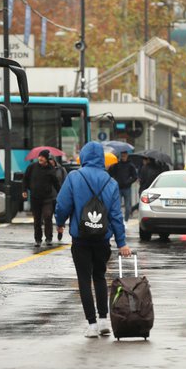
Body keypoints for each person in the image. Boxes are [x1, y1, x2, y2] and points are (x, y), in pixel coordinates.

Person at [55, 141, 132, 338]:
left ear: (84, 157)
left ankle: (91, 325)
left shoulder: (74, 177)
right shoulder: (111, 182)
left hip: (81, 238)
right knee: (99, 277)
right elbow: (116, 215)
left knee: (84, 279)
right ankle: (104, 320)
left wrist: (60, 222)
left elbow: (63, 204)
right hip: (102, 239)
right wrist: (121, 243)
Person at [22, 149, 60, 247]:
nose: (40, 158)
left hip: (48, 198)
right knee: (37, 219)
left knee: (47, 216)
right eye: (39, 156)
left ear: (47, 159)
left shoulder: (51, 169)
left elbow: (56, 183)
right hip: (35, 198)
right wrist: (24, 190)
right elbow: (25, 179)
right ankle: (38, 239)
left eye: (42, 157)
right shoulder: (32, 167)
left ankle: (49, 238)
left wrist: (60, 194)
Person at [108, 151, 138, 222]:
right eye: (122, 156)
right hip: (118, 188)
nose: (123, 157)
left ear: (127, 156)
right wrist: (110, 167)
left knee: (128, 207)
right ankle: (119, 220)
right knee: (117, 206)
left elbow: (135, 177)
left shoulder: (131, 165)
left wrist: (128, 182)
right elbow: (111, 174)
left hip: (127, 188)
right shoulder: (117, 165)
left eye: (124, 155)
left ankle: (126, 220)